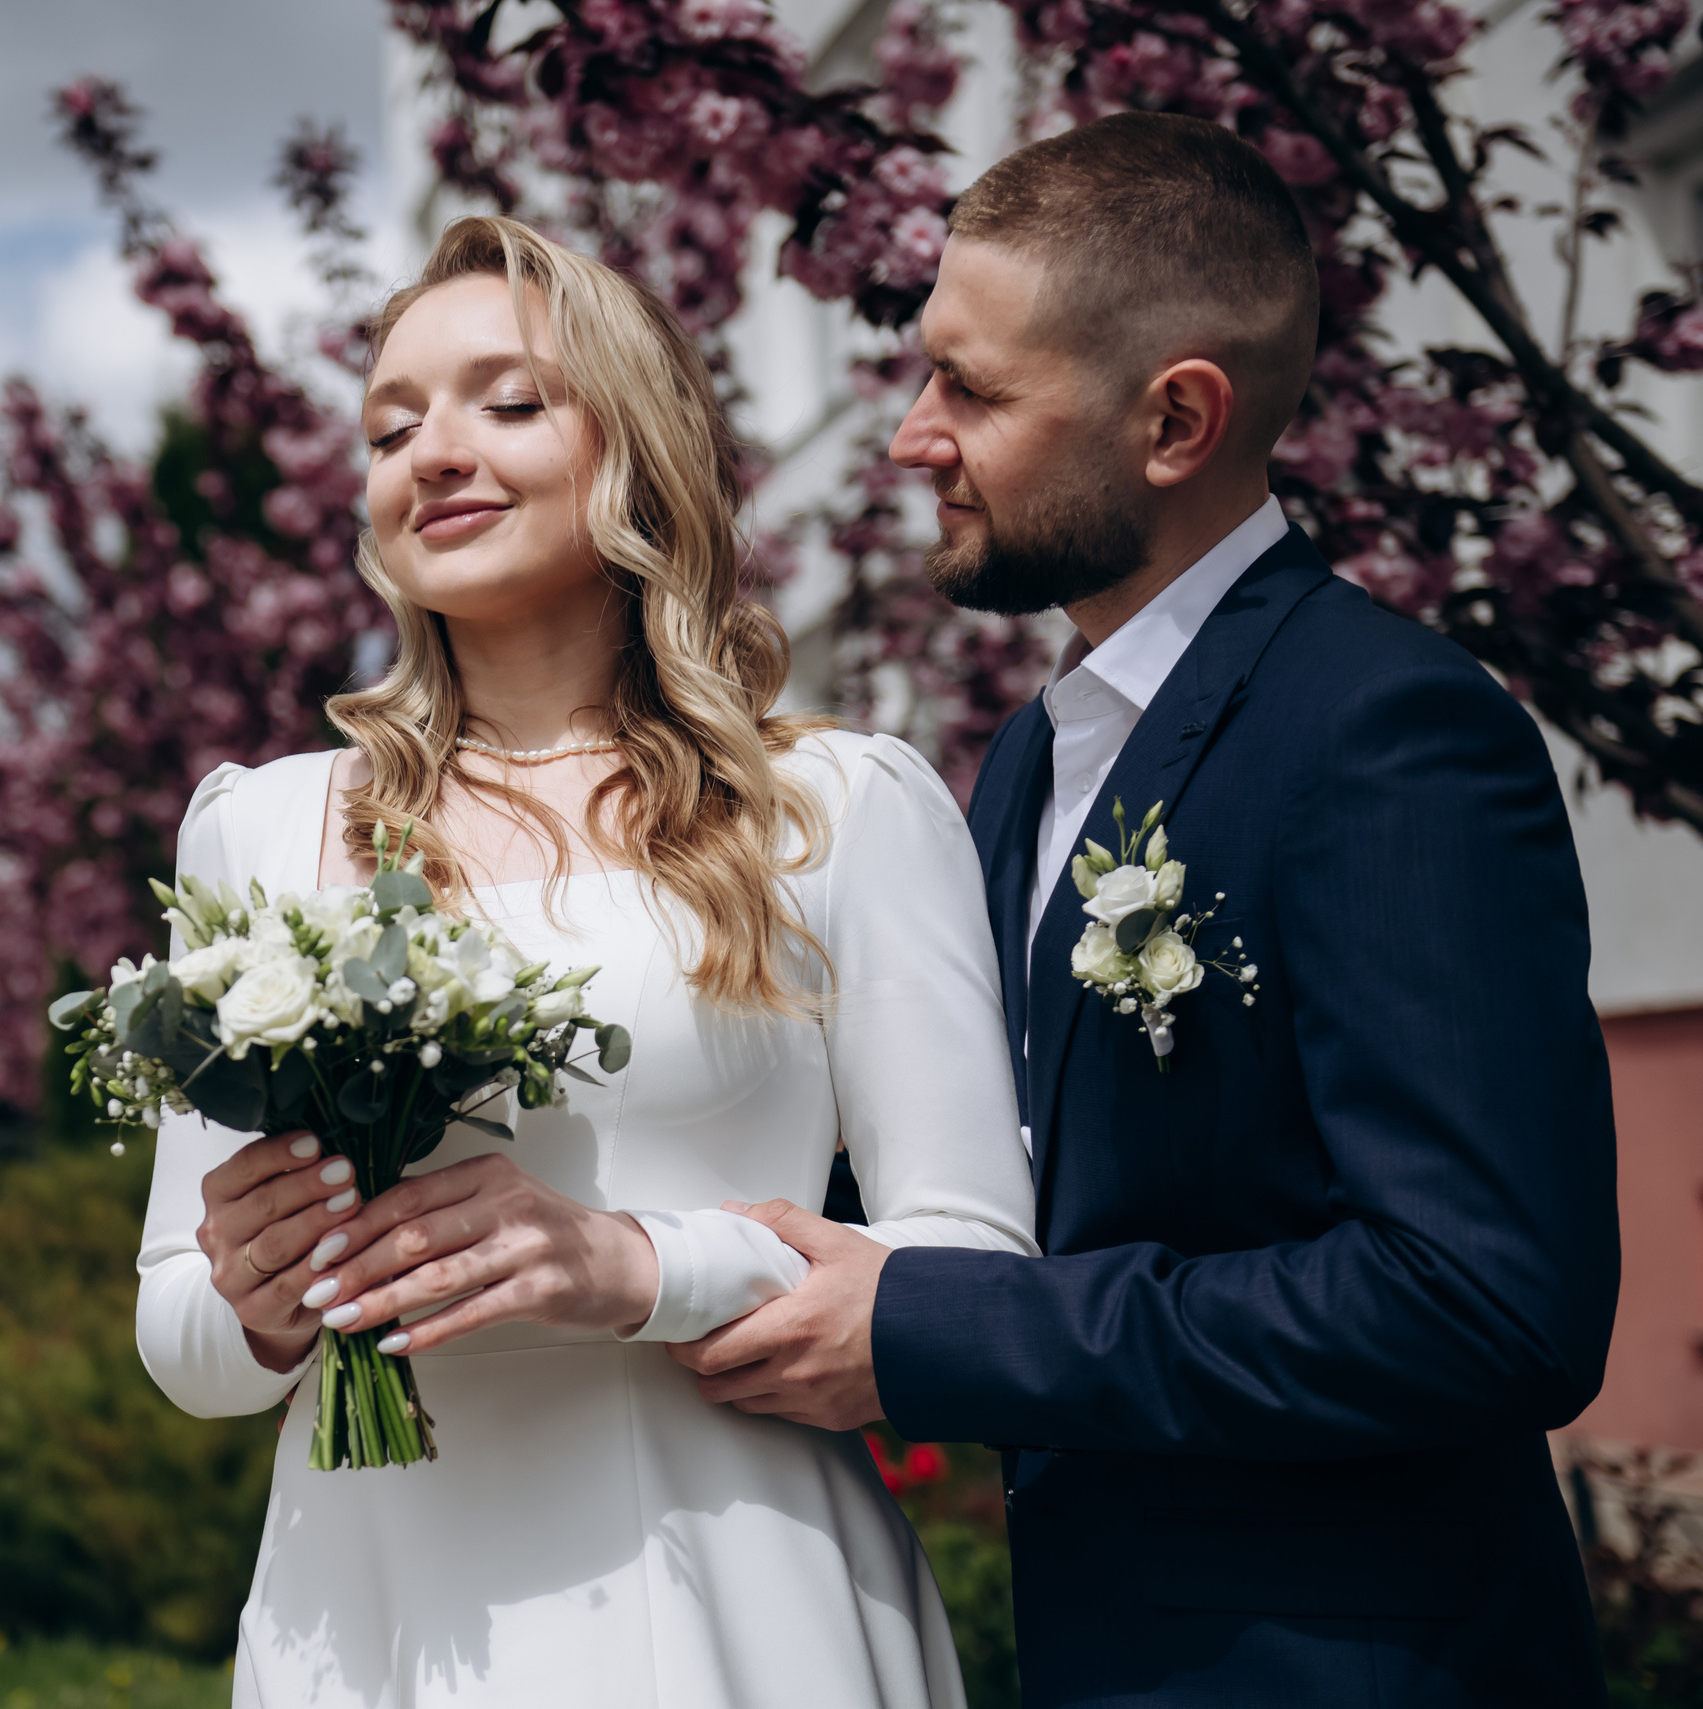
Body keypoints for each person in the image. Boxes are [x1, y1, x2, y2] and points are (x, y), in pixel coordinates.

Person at [671, 113, 1620, 1706]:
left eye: (972, 389)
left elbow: (1484, 1301)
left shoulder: (1386, 734)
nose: (913, 436)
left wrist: (942, 1330)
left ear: (1177, 418)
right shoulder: (1032, 757)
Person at [133, 214, 1037, 1707]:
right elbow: (183, 1336)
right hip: (369, 1624)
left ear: (638, 448)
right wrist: (260, 1293)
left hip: (741, 1601)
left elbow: (971, 1283)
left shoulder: (838, 812)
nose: (434, 450)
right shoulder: (265, 827)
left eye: (509, 400)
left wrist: (635, 1266)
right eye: (392, 421)